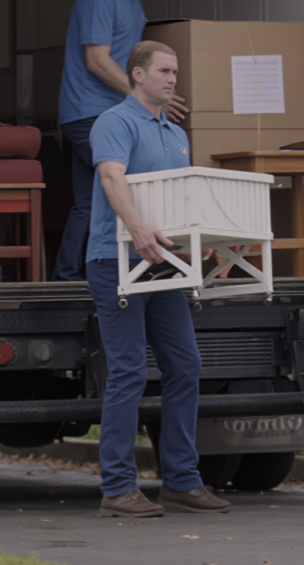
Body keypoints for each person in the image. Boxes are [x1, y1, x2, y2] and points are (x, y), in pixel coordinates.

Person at [86, 40, 226, 518]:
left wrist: (201, 241)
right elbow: (111, 178)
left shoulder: (175, 133)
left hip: (164, 262)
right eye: (164, 71)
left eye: (176, 72)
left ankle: (182, 481)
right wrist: (138, 228)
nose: (172, 79)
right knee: (127, 371)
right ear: (138, 75)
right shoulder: (115, 122)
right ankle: (118, 488)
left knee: (185, 365)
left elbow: (179, 199)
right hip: (116, 259)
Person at [54, 0, 187, 280]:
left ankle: (65, 277)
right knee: (127, 183)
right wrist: (144, 98)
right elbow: (96, 59)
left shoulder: (131, 0)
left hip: (108, 110)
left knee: (87, 202)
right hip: (91, 111)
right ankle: (132, 267)